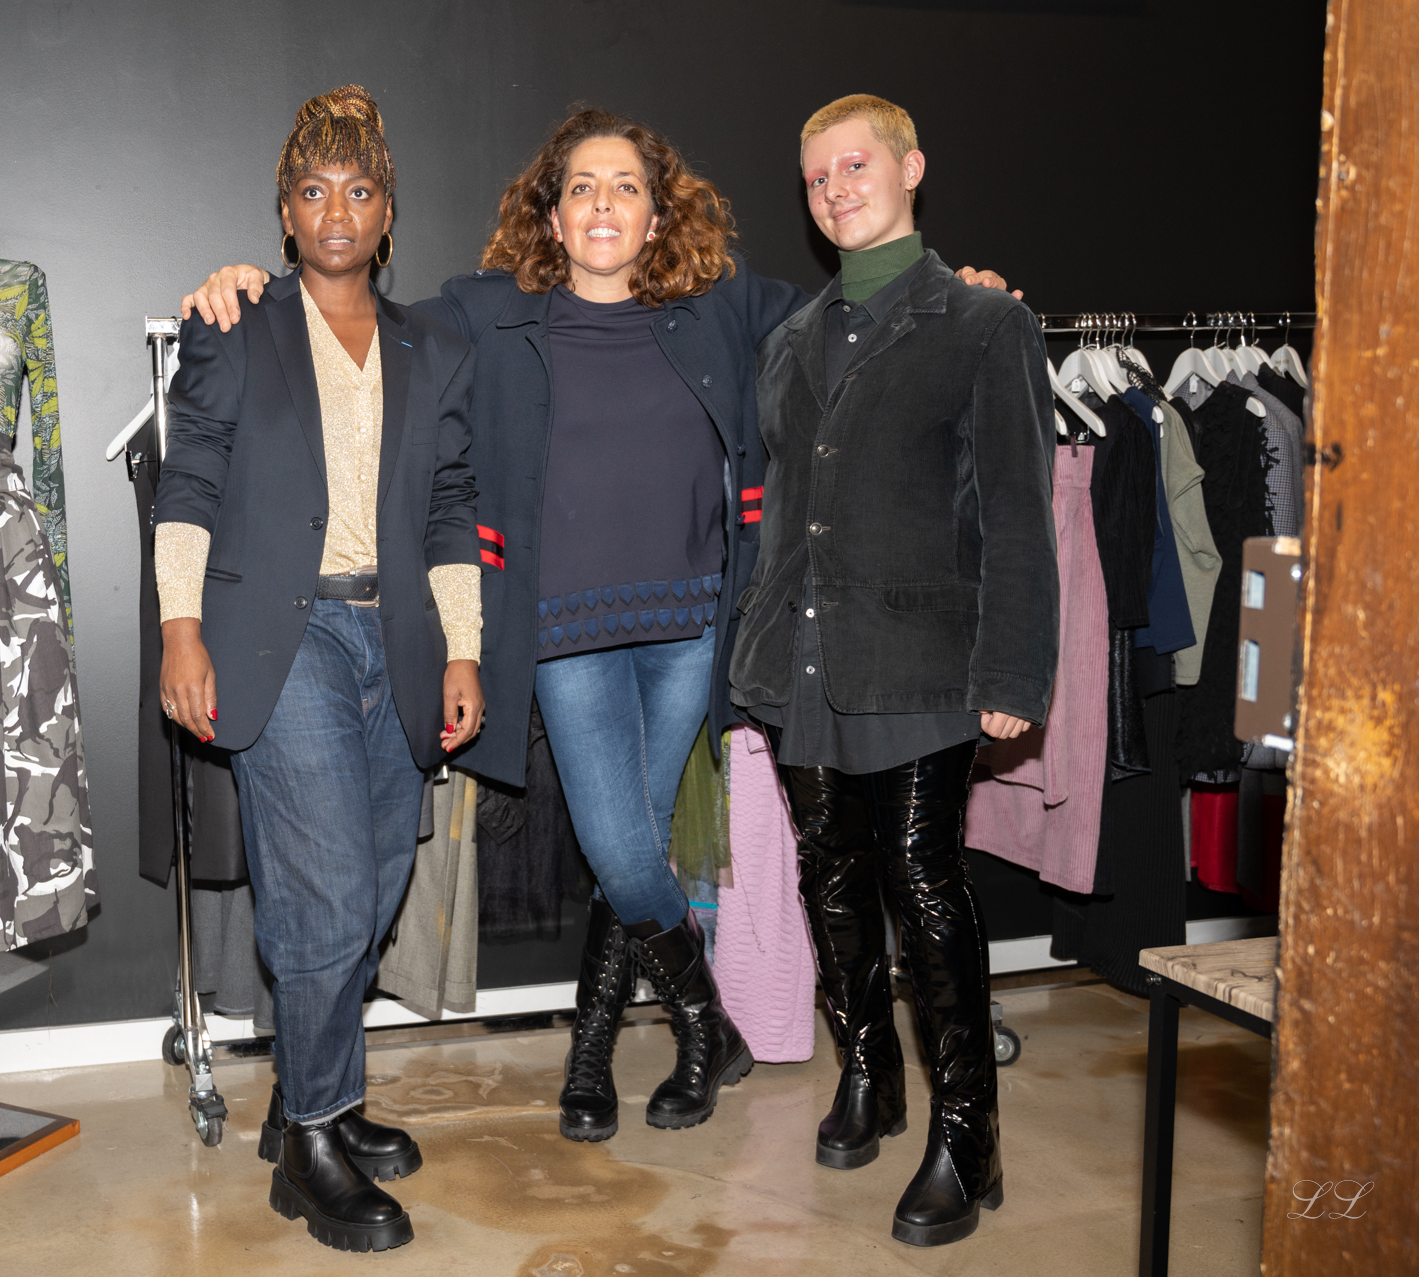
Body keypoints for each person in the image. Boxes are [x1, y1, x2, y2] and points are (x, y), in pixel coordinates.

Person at [181, 109, 1016, 1147]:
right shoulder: (492, 311)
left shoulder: (723, 306)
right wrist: (246, 285)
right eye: (581, 186)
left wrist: (959, 292)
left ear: (658, 214)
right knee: (620, 846)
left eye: (625, 186)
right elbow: (345, 296)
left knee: (638, 853)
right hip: (564, 630)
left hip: (688, 627)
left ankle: (591, 1055)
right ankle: (708, 1021)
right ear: (553, 214)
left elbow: (862, 303)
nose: (603, 203)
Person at [153, 85, 483, 1254]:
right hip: (281, 642)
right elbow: (189, 480)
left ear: (387, 212)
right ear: (285, 212)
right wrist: (179, 628)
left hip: (398, 640)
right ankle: (311, 1140)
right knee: (328, 888)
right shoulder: (236, 325)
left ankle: (316, 1098)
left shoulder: (435, 346)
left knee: (375, 880)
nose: (335, 211)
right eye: (312, 191)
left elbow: (450, 507)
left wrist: (463, 644)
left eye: (358, 191)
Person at [729, 94, 1058, 1248]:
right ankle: (869, 1069)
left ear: (912, 167)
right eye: (817, 176)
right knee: (829, 872)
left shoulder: (985, 323)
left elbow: (1019, 515)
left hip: (923, 660)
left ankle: (971, 1132)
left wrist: (1015, 670)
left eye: (855, 165)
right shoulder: (790, 338)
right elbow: (784, 515)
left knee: (923, 881)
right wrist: (756, 646)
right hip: (802, 656)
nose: (835, 189)